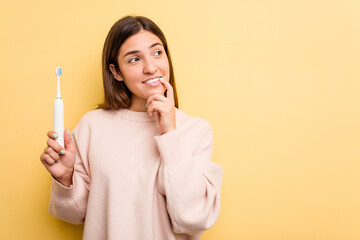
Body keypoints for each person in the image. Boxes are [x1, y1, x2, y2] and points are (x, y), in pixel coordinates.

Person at [40, 15, 223, 240]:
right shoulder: (92, 126)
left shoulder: (195, 130)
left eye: (157, 53)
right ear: (116, 72)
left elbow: (193, 218)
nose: (151, 68)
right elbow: (74, 214)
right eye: (134, 59)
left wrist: (169, 133)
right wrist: (66, 177)